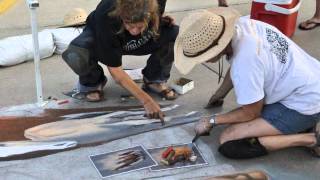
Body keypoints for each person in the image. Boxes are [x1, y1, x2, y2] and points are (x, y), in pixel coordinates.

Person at [174, 7, 320, 159]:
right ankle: (299, 126)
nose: (202, 61)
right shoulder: (243, 25)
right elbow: (238, 64)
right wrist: (219, 94)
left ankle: (310, 139)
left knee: (229, 140)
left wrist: (212, 120)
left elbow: (251, 112)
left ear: (218, 48)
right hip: (310, 81)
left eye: (202, 57)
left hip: (306, 103)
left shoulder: (245, 62)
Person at [62, 0, 179, 120]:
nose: (134, 31)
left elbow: (157, 13)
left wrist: (158, 20)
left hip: (139, 36)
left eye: (138, 26)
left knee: (176, 36)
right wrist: (147, 101)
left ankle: (154, 79)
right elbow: (117, 72)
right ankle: (93, 82)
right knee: (76, 53)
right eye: (130, 24)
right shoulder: (106, 14)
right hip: (104, 36)